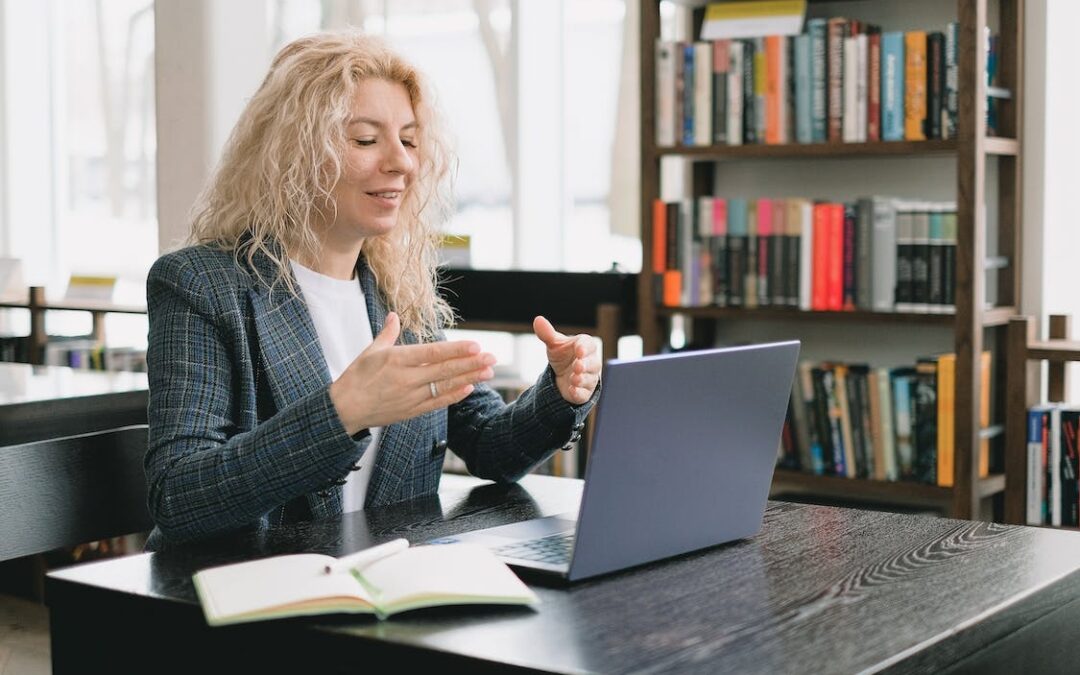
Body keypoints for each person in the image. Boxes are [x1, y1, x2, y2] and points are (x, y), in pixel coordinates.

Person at [144, 32, 601, 550]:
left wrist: (561, 391)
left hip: (387, 584)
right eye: (366, 140)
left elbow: (489, 442)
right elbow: (179, 495)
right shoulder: (199, 284)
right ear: (294, 152)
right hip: (250, 589)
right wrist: (342, 412)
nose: (402, 163)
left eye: (409, 140)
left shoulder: (398, 290)